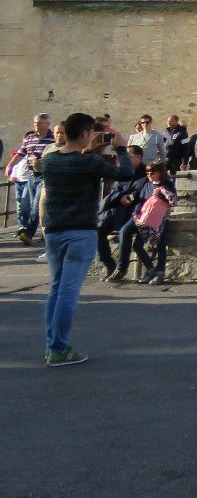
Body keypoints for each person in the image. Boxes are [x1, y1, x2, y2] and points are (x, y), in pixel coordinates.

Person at [38, 112, 134, 366]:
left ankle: (52, 345)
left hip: (54, 231)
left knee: (56, 289)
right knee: (68, 292)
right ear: (84, 133)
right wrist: (121, 148)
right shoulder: (89, 163)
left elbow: (72, 165)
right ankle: (59, 349)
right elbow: (125, 173)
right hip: (80, 231)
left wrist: (88, 151)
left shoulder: (49, 161)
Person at [96, 145, 146, 280]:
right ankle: (109, 265)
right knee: (97, 229)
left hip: (137, 212)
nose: (121, 159)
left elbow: (139, 193)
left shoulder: (146, 173)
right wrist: (121, 197)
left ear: (138, 158)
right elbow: (115, 192)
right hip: (118, 211)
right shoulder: (123, 173)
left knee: (125, 232)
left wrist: (128, 197)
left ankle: (121, 268)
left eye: (127, 157)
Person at [127, 160, 177, 284]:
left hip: (160, 221)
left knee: (161, 246)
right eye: (148, 172)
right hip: (144, 219)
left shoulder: (167, 185)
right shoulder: (147, 184)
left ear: (160, 172)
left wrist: (162, 193)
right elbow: (140, 198)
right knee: (137, 245)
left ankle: (160, 272)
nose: (149, 175)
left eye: (152, 172)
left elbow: (173, 201)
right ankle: (150, 268)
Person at [8, 113, 52, 244]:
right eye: (35, 123)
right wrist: (10, 165)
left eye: (39, 123)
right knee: (25, 205)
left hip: (45, 176)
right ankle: (31, 230)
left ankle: (28, 234)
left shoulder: (52, 139)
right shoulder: (29, 138)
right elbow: (21, 153)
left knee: (37, 206)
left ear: (47, 124)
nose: (36, 125)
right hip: (31, 176)